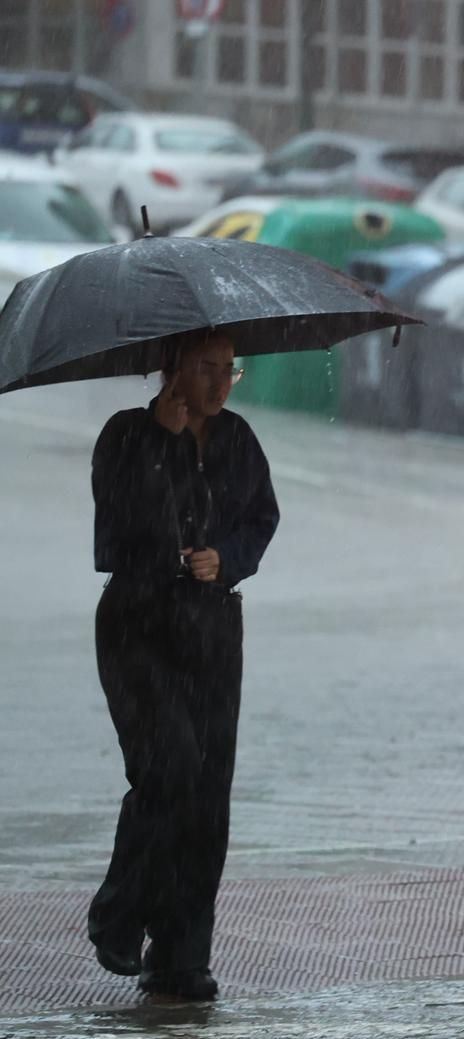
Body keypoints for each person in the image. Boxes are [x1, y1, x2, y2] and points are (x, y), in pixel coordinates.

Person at [87, 330, 280, 1001]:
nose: (222, 383)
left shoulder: (238, 439)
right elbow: (120, 525)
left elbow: (262, 518)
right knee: (168, 766)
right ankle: (119, 915)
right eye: (207, 369)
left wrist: (227, 558)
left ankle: (180, 956)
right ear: (173, 368)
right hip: (138, 623)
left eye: (231, 370)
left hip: (213, 628)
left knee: (207, 795)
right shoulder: (125, 435)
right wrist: (162, 442)